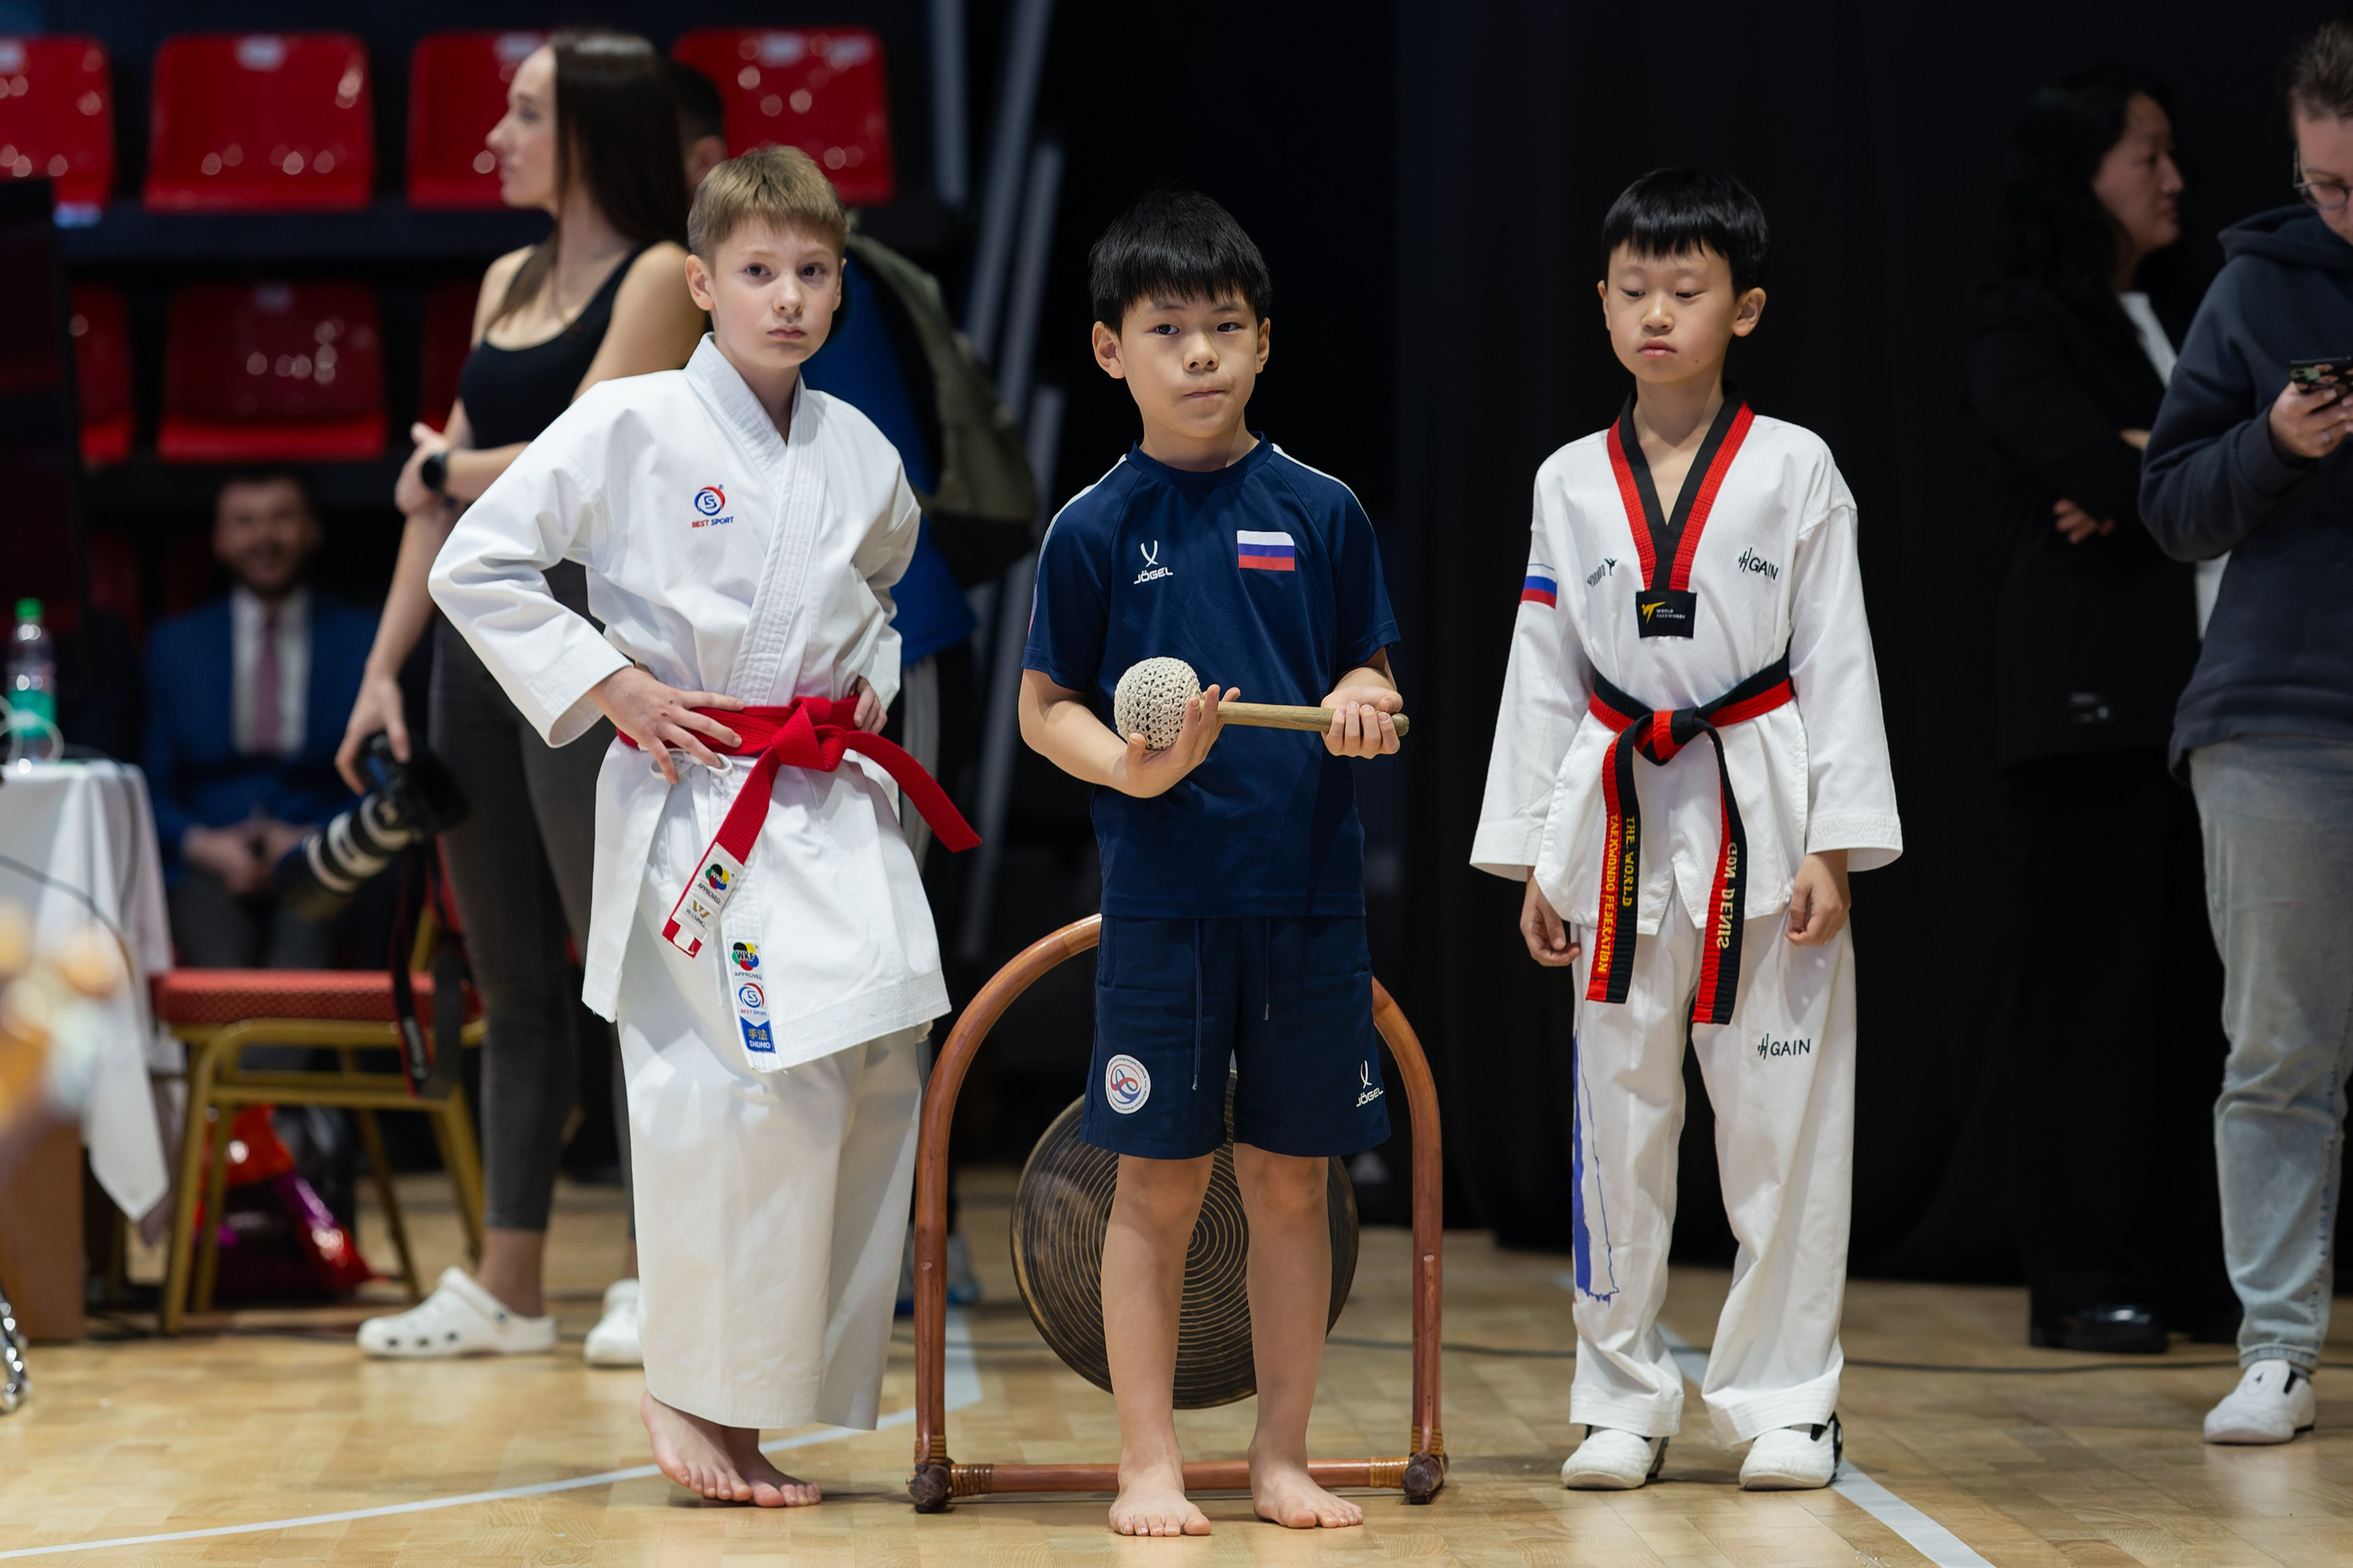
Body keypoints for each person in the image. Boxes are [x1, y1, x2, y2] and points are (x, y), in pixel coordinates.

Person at [431, 145, 961, 1506]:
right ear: (701, 283)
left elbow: (888, 584)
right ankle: (685, 1389)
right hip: (699, 805)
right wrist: (609, 681)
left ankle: (763, 1403)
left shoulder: (858, 449)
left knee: (870, 1080)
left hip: (829, 799)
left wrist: (851, 701)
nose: (787, 298)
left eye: (812, 272)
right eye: (758, 272)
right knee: (721, 1096)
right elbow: (473, 559)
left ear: (841, 287)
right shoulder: (631, 424)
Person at [1472, 169, 1901, 1492]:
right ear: (1601, 303)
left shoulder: (1796, 464)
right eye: (1635, 290)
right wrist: (1533, 852)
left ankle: (1787, 1399)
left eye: (1688, 290)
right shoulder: (1567, 480)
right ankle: (1622, 1392)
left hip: (1760, 815)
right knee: (1618, 1120)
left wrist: (1833, 839)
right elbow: (1543, 666)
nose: (1658, 313)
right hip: (1612, 820)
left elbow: (1837, 658)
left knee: (1781, 1124)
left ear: (1746, 307)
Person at [1019, 190, 1404, 1536]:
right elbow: (1043, 705)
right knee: (1159, 1182)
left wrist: (1361, 693)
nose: (1199, 353)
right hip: (1163, 904)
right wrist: (1131, 767)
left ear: (1263, 344)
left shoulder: (1323, 508)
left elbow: (1369, 660)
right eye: (1167, 328)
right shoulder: (1090, 527)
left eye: (1223, 328)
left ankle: (1279, 1454)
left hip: (1305, 900)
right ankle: (1148, 1462)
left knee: (1293, 1180)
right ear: (1110, 348)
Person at [340, 31, 705, 1368]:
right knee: (506, 973)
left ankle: (656, 1270)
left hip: (592, 645)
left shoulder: (666, 274)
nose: (497, 132)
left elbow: (573, 454)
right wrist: (383, 665)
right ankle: (508, 1281)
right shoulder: (506, 275)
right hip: (474, 645)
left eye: (527, 111)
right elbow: (437, 497)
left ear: (597, 129)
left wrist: (443, 467)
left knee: (619, 964)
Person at [1968, 71, 2237, 1356]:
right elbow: (2081, 465)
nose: (2171, 176)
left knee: (2191, 1000)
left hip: (2196, 702)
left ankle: (2190, 1267)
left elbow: (2216, 466)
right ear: (2083, 173)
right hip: (2087, 709)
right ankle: (2080, 1275)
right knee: (2091, 1000)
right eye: (2148, 153)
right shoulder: (2024, 318)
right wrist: (2155, 468)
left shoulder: (2175, 312)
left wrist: (2154, 466)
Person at [2141, 17, 2353, 1447]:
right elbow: (2171, 503)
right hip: (2280, 710)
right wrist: (2274, 441)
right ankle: (2277, 1342)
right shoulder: (2258, 284)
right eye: (2329, 185)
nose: (2346, 212)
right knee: (2280, 1044)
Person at [146, 471, 375, 968]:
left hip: (321, 853)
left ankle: (249, 1052)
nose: (263, 538)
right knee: (220, 970)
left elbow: (379, 783)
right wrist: (207, 846)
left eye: (281, 519)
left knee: (303, 962)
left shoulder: (367, 641)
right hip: (208, 860)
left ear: (312, 530)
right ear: (220, 539)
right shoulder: (174, 645)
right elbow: (151, 787)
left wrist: (315, 838)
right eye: (245, 522)